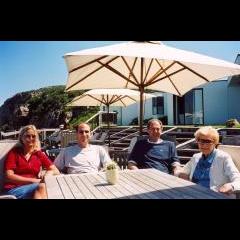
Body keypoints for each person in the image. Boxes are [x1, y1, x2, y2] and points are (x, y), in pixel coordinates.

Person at [175, 126, 240, 195]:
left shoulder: (223, 158)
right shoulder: (196, 157)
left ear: (215, 143)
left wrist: (231, 186)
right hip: (193, 194)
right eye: (200, 140)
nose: (203, 144)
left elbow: (237, 179)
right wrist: (178, 172)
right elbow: (182, 172)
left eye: (207, 141)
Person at [3, 125, 60, 199]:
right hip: (14, 189)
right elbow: (8, 176)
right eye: (27, 136)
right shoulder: (14, 153)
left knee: (48, 187)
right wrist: (35, 181)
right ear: (21, 138)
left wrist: (46, 175)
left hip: (35, 187)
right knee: (43, 187)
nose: (31, 139)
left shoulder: (38, 154)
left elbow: (55, 170)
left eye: (33, 136)